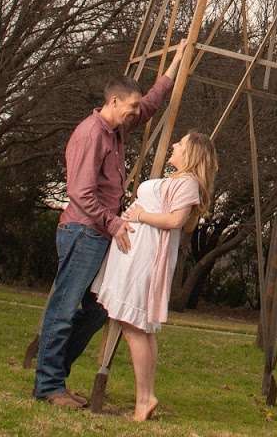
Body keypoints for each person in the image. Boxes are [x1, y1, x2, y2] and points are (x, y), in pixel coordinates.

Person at [32, 48, 183, 409]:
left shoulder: (116, 127)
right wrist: (114, 223)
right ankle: (49, 386)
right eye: (128, 106)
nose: (134, 112)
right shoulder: (91, 135)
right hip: (83, 232)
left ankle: (55, 378)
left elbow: (147, 105)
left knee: (98, 309)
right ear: (113, 102)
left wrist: (176, 65)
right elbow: (80, 192)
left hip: (99, 235)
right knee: (65, 307)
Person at [91, 130, 218, 422]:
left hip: (145, 258)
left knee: (134, 326)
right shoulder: (175, 180)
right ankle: (144, 397)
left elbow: (175, 220)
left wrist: (139, 216)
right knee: (137, 327)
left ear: (191, 155)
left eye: (181, 144)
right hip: (133, 252)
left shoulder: (188, 183)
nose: (174, 144)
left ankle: (145, 398)